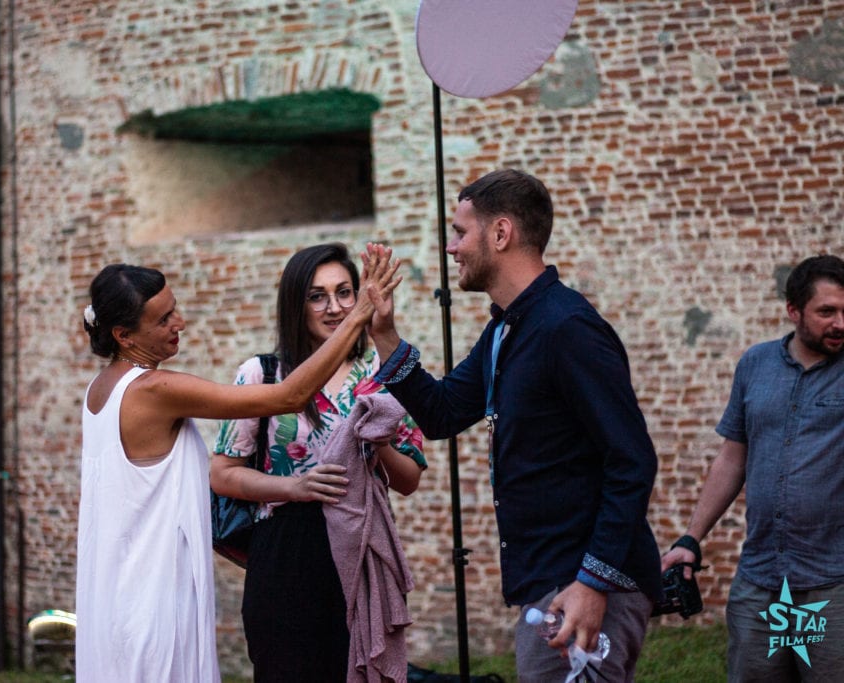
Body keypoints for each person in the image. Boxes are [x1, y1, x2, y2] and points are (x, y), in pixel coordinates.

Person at [364, 169, 662, 682]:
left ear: (501, 233)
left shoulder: (566, 327)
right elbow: (442, 412)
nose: (451, 248)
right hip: (551, 580)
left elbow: (632, 459)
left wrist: (594, 582)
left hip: (582, 583)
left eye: (460, 233)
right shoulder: (507, 326)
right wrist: (385, 335)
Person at [75, 248, 399, 683]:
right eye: (164, 319)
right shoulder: (153, 389)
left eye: (175, 309)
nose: (180, 322)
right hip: (151, 589)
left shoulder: (100, 389)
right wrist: (358, 316)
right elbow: (288, 396)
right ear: (123, 335)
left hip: (117, 584)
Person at [210, 243, 426, 683]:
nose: (334, 307)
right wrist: (294, 486)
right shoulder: (262, 374)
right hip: (285, 549)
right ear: (296, 304)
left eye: (344, 292)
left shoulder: (381, 370)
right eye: (317, 296)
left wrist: (378, 442)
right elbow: (222, 474)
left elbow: (409, 480)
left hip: (361, 546)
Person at [661, 254, 844, 681]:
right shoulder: (755, 364)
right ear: (793, 310)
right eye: (827, 312)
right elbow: (732, 457)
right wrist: (691, 537)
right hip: (760, 581)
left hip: (833, 584)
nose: (840, 323)